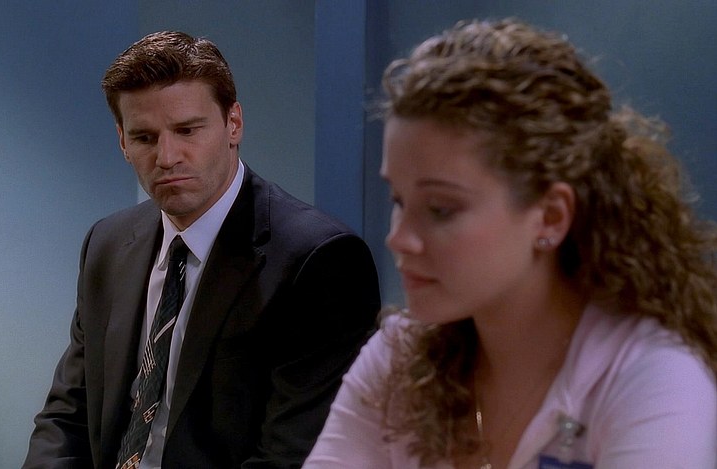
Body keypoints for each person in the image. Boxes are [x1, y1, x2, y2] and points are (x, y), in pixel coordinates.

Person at [304, 18, 717, 469]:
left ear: (551, 216)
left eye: (440, 209)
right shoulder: (397, 360)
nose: (398, 238)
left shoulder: (653, 378)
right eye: (399, 201)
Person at [23, 31, 381, 469]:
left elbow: (291, 457)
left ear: (234, 124)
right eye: (144, 138)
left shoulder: (318, 260)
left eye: (187, 130)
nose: (167, 157)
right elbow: (67, 418)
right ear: (122, 142)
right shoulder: (107, 244)